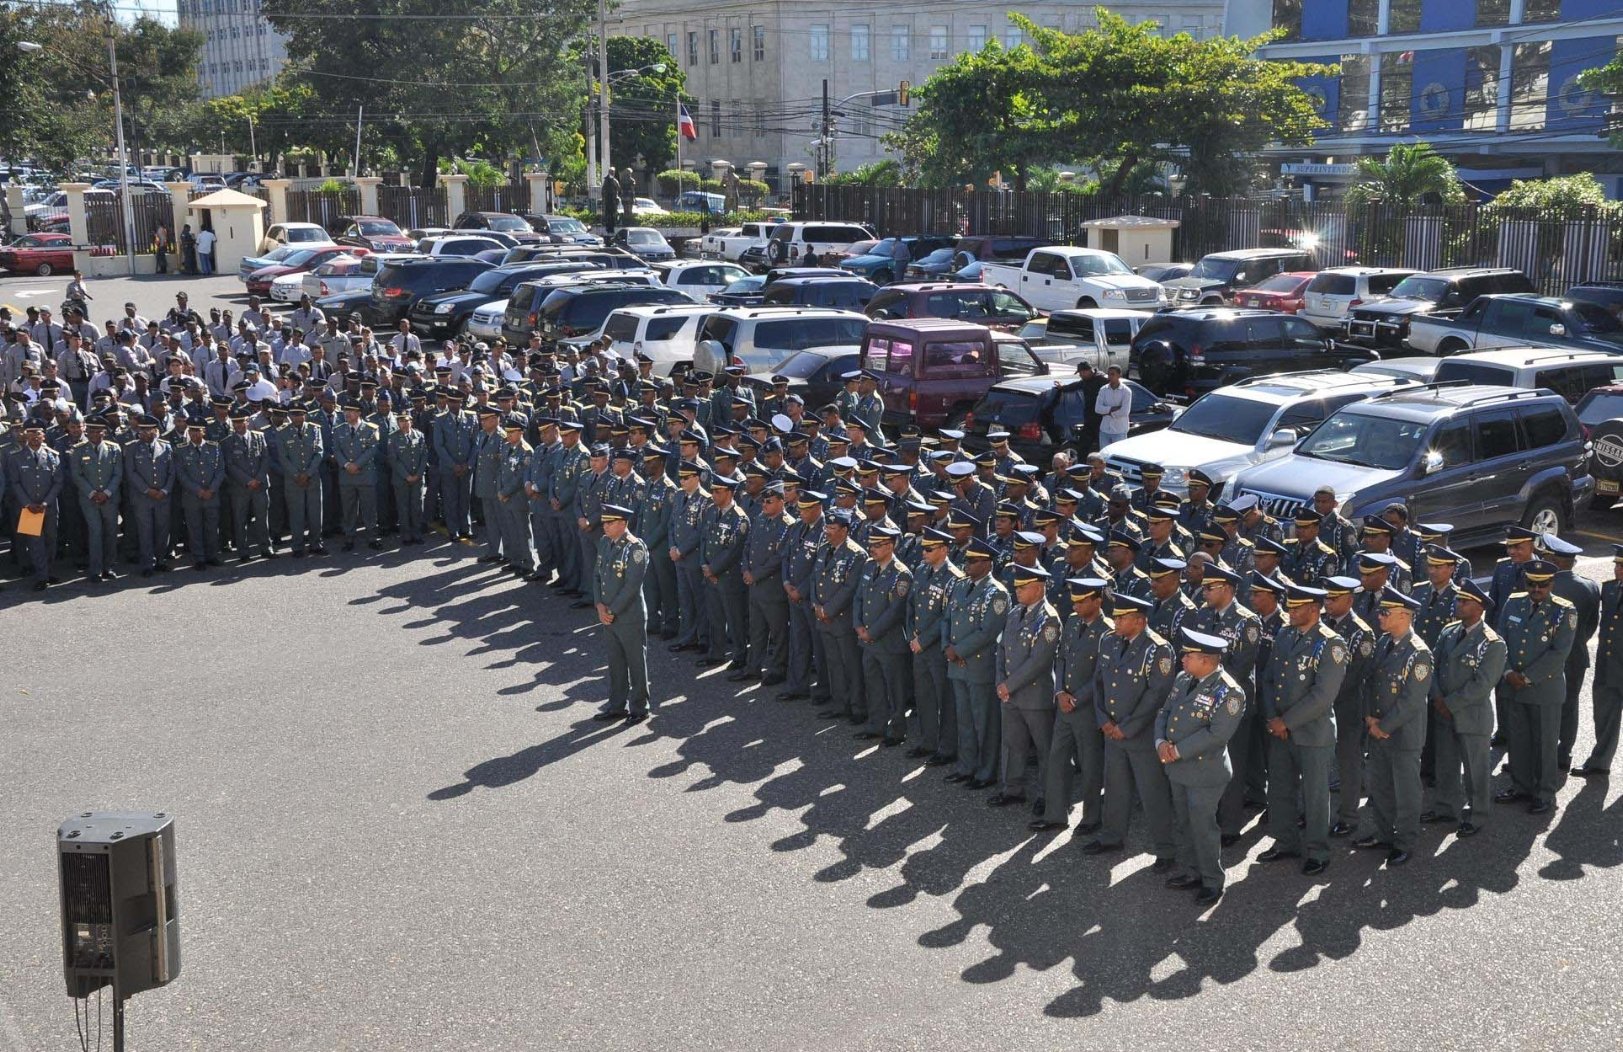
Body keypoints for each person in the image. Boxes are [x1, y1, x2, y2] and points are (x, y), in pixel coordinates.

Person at [1082, 591, 1177, 868]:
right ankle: (1112, 836)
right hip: (1113, 731)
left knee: (1152, 792)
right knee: (1115, 786)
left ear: (1138, 620)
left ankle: (1165, 849)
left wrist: (1128, 727)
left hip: (1141, 735)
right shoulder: (1109, 641)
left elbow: (1157, 695)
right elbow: (1099, 682)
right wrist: (1103, 720)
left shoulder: (1158, 649)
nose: (1115, 622)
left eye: (1121, 618)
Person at [1259, 582, 1347, 875]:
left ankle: (1317, 851)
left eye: (1295, 608)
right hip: (1280, 730)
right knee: (1281, 789)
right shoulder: (1285, 634)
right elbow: (1269, 678)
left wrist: (1286, 721)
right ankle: (1285, 842)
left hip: (1312, 734)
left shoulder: (1331, 643)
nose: (1289, 613)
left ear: (1313, 609)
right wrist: (1274, 718)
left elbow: (1322, 696)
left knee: (1315, 795)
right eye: (1289, 607)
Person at [1158, 626, 1246, 906]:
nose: (1182, 660)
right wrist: (1160, 742)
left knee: (1203, 827)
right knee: (1184, 823)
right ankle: (1191, 870)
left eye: (1188, 656)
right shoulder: (1185, 679)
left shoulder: (1229, 692)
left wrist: (1177, 750)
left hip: (1204, 771)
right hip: (1178, 767)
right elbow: (1165, 711)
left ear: (1206, 660)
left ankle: (1211, 880)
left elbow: (1217, 735)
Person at [1355, 586, 1432, 866]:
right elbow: (1369, 684)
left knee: (1407, 791)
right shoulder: (1383, 642)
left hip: (1402, 735)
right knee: (1381, 787)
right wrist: (1369, 718)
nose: (1380, 617)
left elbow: (1412, 700)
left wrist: (1384, 725)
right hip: (1378, 730)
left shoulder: (1418, 653)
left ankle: (1405, 841)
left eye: (1385, 613)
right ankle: (1385, 834)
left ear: (1404, 616)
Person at [1494, 560, 1577, 816]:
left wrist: (1527, 677)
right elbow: (1500, 640)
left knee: (1544, 743)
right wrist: (1508, 672)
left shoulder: (1565, 611)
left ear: (1552, 584)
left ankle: (1544, 794)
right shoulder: (1513, 602)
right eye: (1531, 583)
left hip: (1543, 689)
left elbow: (1559, 652)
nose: (1536, 589)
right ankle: (1521, 786)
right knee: (1518, 740)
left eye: (1542, 585)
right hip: (1512, 686)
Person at [1425, 579, 1506, 837]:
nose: (1458, 605)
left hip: (1471, 716)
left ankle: (1477, 813)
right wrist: (1437, 697)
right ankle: (1445, 807)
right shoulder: (1449, 631)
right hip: (1443, 711)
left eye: (1464, 602)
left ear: (1479, 608)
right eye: (1458, 600)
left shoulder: (1492, 643)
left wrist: (1449, 704)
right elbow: (1433, 667)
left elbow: (1482, 684)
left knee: (1476, 769)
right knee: (1446, 765)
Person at [991, 562, 1059, 811]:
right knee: (1012, 743)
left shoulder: (1049, 620)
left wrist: (1008, 684)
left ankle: (1047, 795)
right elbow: (1001, 649)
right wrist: (1000, 680)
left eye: (1023, 587)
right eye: (1017, 586)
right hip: (1010, 693)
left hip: (1034, 695)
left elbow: (1038, 661)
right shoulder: (1014, 613)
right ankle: (1012, 788)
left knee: (1044, 748)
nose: (1017, 591)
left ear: (1039, 589)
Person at [944, 537, 1008, 790]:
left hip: (979, 665)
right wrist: (946, 646)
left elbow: (988, 631)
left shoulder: (997, 593)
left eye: (973, 561)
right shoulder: (960, 586)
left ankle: (986, 771)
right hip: (957, 663)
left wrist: (957, 650)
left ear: (988, 564)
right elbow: (946, 618)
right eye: (967, 560)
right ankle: (966, 766)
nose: (967, 565)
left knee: (985, 722)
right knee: (965, 719)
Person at [591, 502, 652, 723]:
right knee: (615, 662)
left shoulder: (635, 548)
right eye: (604, 522)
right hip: (607, 613)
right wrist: (599, 605)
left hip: (628, 616)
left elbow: (632, 586)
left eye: (610, 523)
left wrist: (611, 610)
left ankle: (639, 707)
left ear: (623, 523)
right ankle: (616, 705)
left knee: (636, 662)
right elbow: (597, 574)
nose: (605, 527)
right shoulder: (605, 543)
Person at [906, 526, 962, 765]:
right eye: (923, 548)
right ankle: (928, 741)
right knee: (924, 696)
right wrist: (911, 635)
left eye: (929, 549)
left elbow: (946, 616)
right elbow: (910, 606)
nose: (924, 553)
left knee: (945, 698)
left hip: (937, 647)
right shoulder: (921, 570)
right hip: (918, 645)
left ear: (944, 549)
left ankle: (948, 747)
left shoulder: (954, 577)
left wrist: (923, 640)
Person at [854, 524, 914, 745]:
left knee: (894, 687)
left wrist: (872, 632)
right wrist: (858, 625)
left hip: (889, 642)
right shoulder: (870, 566)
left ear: (890, 546)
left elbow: (895, 611)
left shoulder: (901, 574)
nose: (872, 549)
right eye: (871, 545)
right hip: (868, 640)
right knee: (874, 684)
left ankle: (897, 729)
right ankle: (876, 725)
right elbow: (859, 598)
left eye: (877, 546)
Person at [1573, 545, 1623, 778]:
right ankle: (1600, 761)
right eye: (1616, 564)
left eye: (1622, 566)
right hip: (1609, 665)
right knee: (1604, 715)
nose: (1618, 570)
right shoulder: (1611, 590)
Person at [1093, 365, 1132, 448]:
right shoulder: (1103, 390)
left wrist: (1106, 412)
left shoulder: (1126, 391)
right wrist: (1112, 409)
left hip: (1119, 431)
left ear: (1119, 375)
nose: (1109, 377)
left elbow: (1124, 412)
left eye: (1112, 374)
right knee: (1104, 456)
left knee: (1118, 456)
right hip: (1105, 430)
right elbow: (1097, 409)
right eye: (1109, 374)